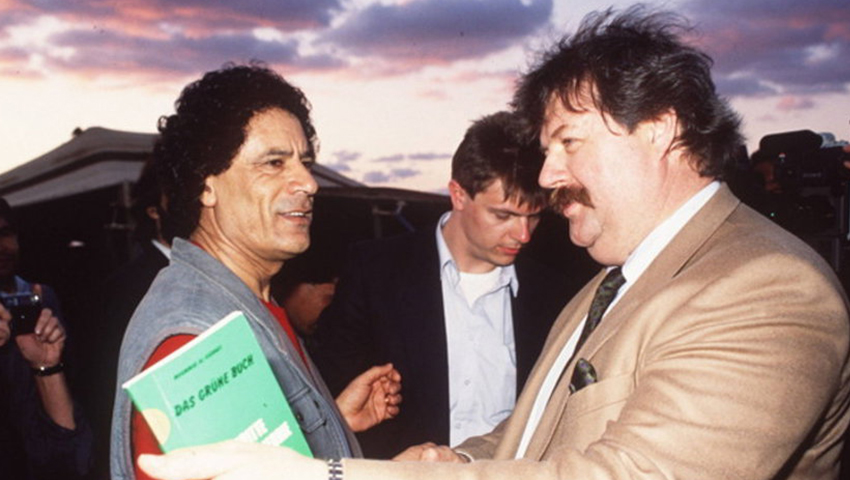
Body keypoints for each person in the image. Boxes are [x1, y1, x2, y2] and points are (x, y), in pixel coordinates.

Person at [136, 8, 850, 480]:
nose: (549, 175)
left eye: (568, 142)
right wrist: (439, 463)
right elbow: (538, 433)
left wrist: (335, 471)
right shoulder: (610, 284)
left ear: (658, 130)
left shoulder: (765, 288)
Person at [110, 62, 401, 480]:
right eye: (274, 163)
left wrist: (330, 423)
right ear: (205, 186)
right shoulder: (195, 344)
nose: (308, 183)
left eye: (304, 161)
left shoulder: (247, 302)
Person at [310, 111, 570, 458]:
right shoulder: (374, 272)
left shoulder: (556, 294)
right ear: (458, 195)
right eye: (503, 215)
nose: (523, 235)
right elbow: (326, 395)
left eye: (533, 216)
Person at [0, 198, 93, 479]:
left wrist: (49, 366)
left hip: (51, 453)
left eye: (5, 234)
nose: (1, 247)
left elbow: (73, 381)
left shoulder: (42, 296)